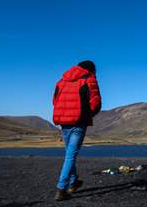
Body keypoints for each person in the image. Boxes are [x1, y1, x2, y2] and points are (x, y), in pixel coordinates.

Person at [52, 60, 102, 201]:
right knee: (70, 156)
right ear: (91, 70)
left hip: (64, 122)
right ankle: (61, 189)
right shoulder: (89, 79)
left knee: (69, 153)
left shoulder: (61, 81)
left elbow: (55, 101)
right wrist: (87, 115)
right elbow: (96, 103)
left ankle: (73, 182)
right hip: (78, 123)